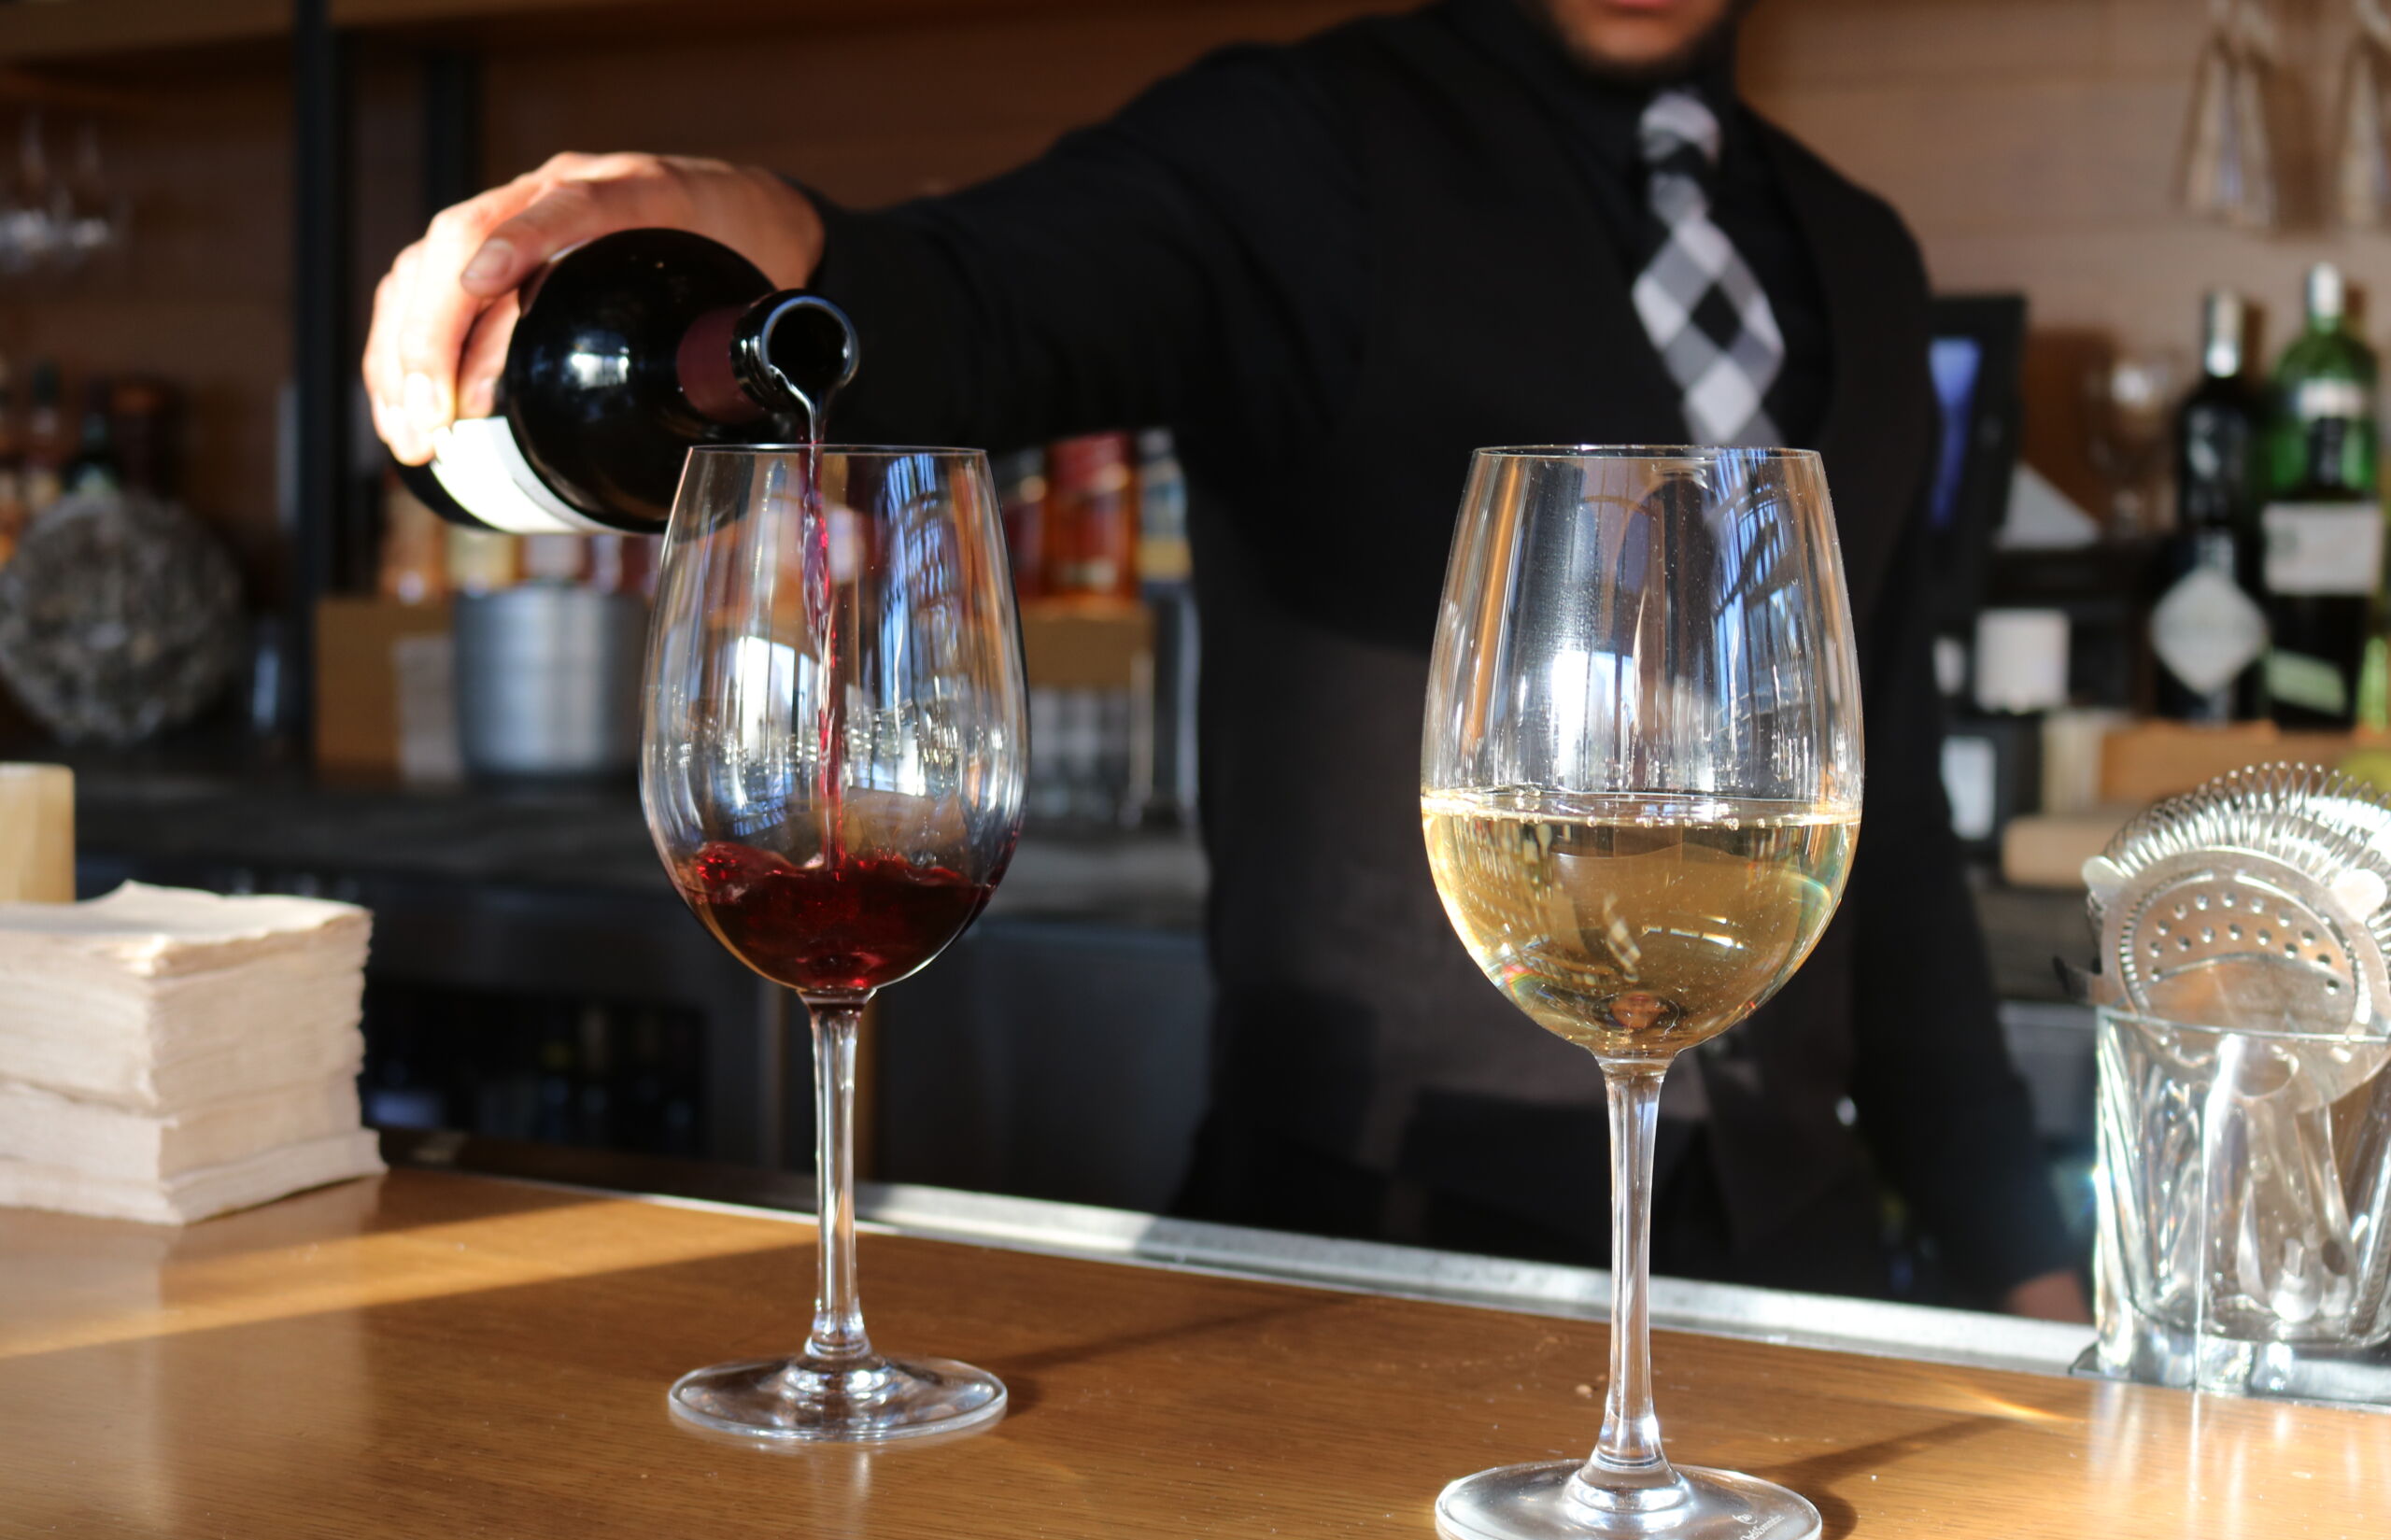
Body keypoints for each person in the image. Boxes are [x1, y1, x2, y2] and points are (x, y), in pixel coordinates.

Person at [365, 0, 2088, 1320]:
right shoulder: (1300, 151)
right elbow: (973, 304)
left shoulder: (1859, 251)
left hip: (1798, 1256)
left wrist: (2021, 1254)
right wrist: (762, 227)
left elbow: (1887, 817)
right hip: (1365, 1238)